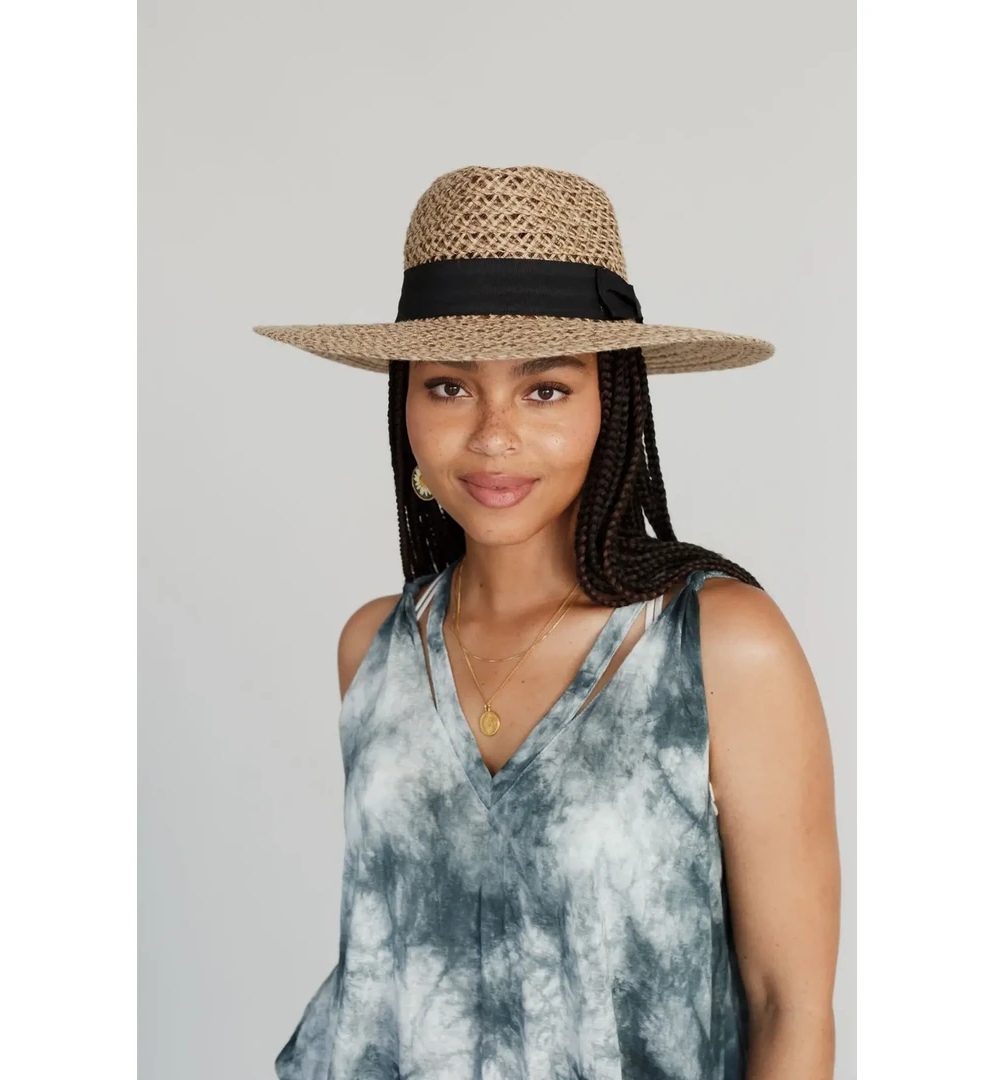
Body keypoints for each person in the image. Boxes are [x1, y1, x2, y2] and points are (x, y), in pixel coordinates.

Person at [253, 165, 840, 1079]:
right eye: (449, 387)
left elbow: (788, 1003)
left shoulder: (720, 643)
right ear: (405, 404)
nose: (493, 436)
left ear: (613, 402)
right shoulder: (375, 647)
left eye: (546, 390)